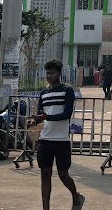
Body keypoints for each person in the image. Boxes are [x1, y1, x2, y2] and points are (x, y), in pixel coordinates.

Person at [27, 59, 85, 210]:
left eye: (52, 73)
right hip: (45, 139)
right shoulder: (43, 93)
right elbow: (41, 114)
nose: (49, 76)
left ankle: (76, 196)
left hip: (61, 140)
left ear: (59, 74)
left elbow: (66, 114)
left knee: (63, 174)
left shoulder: (67, 91)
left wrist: (46, 117)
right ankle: (45, 208)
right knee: (45, 175)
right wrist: (34, 121)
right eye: (47, 73)